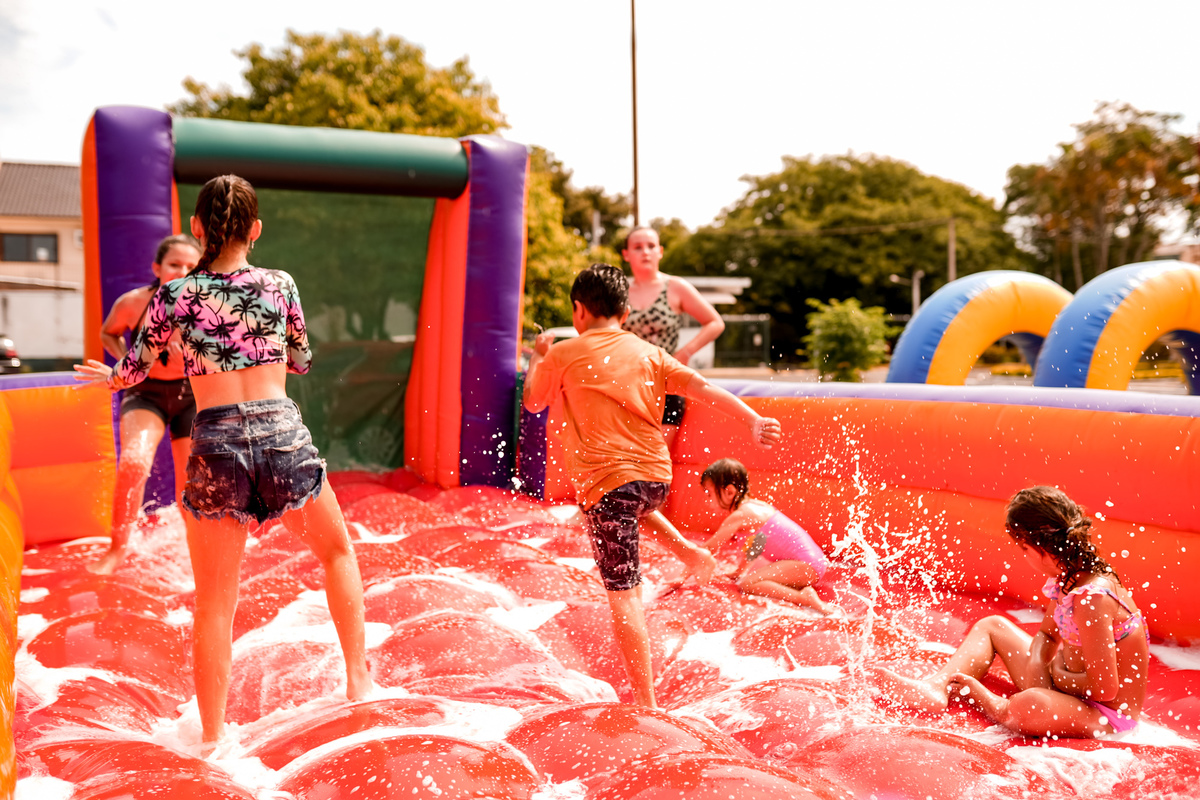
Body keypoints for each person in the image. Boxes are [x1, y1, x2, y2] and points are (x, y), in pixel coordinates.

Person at [75, 175, 372, 749]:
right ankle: (359, 682)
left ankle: (212, 739)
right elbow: (303, 360)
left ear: (196, 229)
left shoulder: (173, 295)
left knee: (215, 602)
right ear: (255, 229)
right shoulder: (280, 284)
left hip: (216, 442)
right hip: (281, 432)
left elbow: (135, 368)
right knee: (336, 553)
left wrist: (110, 378)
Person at [523, 263, 781, 708]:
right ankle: (691, 553)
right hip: (656, 478)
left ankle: (647, 703)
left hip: (607, 483)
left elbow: (532, 402)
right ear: (625, 314)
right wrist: (753, 421)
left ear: (578, 310)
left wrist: (538, 358)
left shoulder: (563, 353)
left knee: (624, 597)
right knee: (630, 505)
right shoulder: (650, 352)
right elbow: (704, 389)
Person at [871, 485, 1149, 739]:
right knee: (993, 626)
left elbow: (1105, 689)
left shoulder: (1092, 598)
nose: (1024, 556)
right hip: (1065, 688)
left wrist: (1056, 675)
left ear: (1037, 547)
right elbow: (1047, 635)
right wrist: (1039, 665)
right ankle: (937, 687)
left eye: (1023, 549)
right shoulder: (1069, 578)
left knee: (1032, 705)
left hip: (1103, 713)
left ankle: (997, 706)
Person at [90, 234, 201, 574]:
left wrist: (192, 355)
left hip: (190, 395)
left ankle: (197, 550)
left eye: (191, 266)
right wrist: (129, 361)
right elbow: (108, 332)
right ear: (157, 268)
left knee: (193, 480)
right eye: (174, 264)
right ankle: (117, 549)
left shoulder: (205, 307)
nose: (182, 272)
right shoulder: (134, 303)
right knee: (134, 463)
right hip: (146, 393)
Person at [621, 226, 725, 448]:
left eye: (651, 246)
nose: (645, 252)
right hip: (628, 384)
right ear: (626, 254)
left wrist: (686, 352)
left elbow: (715, 322)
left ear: (660, 251)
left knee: (655, 456)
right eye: (638, 247)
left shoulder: (675, 287)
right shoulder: (619, 291)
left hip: (667, 383)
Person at [700, 458, 840, 616]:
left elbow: (708, 549)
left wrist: (682, 576)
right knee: (751, 580)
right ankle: (800, 587)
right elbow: (756, 543)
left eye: (709, 494)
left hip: (806, 566)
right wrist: (739, 571)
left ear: (729, 492)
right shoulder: (757, 506)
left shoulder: (739, 516)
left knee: (748, 584)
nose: (707, 501)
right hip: (813, 564)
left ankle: (803, 598)